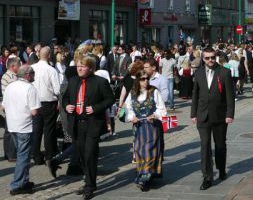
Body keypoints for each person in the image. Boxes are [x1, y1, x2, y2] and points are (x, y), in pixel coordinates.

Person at [63, 56, 114, 200]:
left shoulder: (100, 82)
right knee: (81, 153)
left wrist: (96, 108)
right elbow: (65, 98)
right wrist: (67, 106)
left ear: (90, 68)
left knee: (90, 153)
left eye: (83, 66)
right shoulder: (73, 81)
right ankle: (88, 181)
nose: (79, 68)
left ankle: (90, 186)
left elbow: (110, 99)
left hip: (92, 123)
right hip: (77, 123)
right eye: (78, 65)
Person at [191, 47, 235, 190]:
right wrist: (193, 114)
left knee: (220, 145)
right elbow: (195, 95)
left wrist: (229, 114)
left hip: (220, 116)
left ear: (216, 57)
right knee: (205, 146)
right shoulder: (197, 73)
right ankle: (207, 177)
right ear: (203, 59)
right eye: (207, 58)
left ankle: (221, 169)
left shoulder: (225, 72)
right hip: (203, 116)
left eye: (212, 57)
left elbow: (230, 96)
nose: (210, 60)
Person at [124, 70, 167, 191]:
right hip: (138, 128)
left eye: (147, 78)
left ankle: (145, 178)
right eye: (143, 79)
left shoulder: (154, 91)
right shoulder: (132, 93)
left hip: (152, 127)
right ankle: (144, 174)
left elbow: (162, 108)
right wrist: (132, 117)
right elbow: (128, 108)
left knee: (149, 150)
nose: (146, 81)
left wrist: (155, 115)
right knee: (139, 151)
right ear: (137, 80)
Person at [3, 65, 41, 195]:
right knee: (23, 156)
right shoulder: (30, 88)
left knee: (23, 154)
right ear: (27, 75)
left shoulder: (10, 86)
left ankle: (24, 181)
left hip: (12, 125)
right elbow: (35, 111)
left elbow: (2, 106)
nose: (34, 76)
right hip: (24, 126)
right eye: (33, 73)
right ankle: (17, 184)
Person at [31, 47, 61, 165]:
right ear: (48, 56)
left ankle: (36, 156)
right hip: (48, 102)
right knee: (48, 129)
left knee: (36, 129)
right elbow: (57, 90)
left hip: (34, 102)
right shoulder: (51, 70)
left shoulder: (32, 68)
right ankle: (49, 156)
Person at [1, 57, 21, 162]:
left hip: (8, 105)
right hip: (12, 106)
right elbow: (14, 93)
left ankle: (8, 154)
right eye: (19, 65)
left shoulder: (8, 75)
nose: (20, 67)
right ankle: (12, 154)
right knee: (12, 130)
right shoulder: (11, 77)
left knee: (8, 131)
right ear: (13, 67)